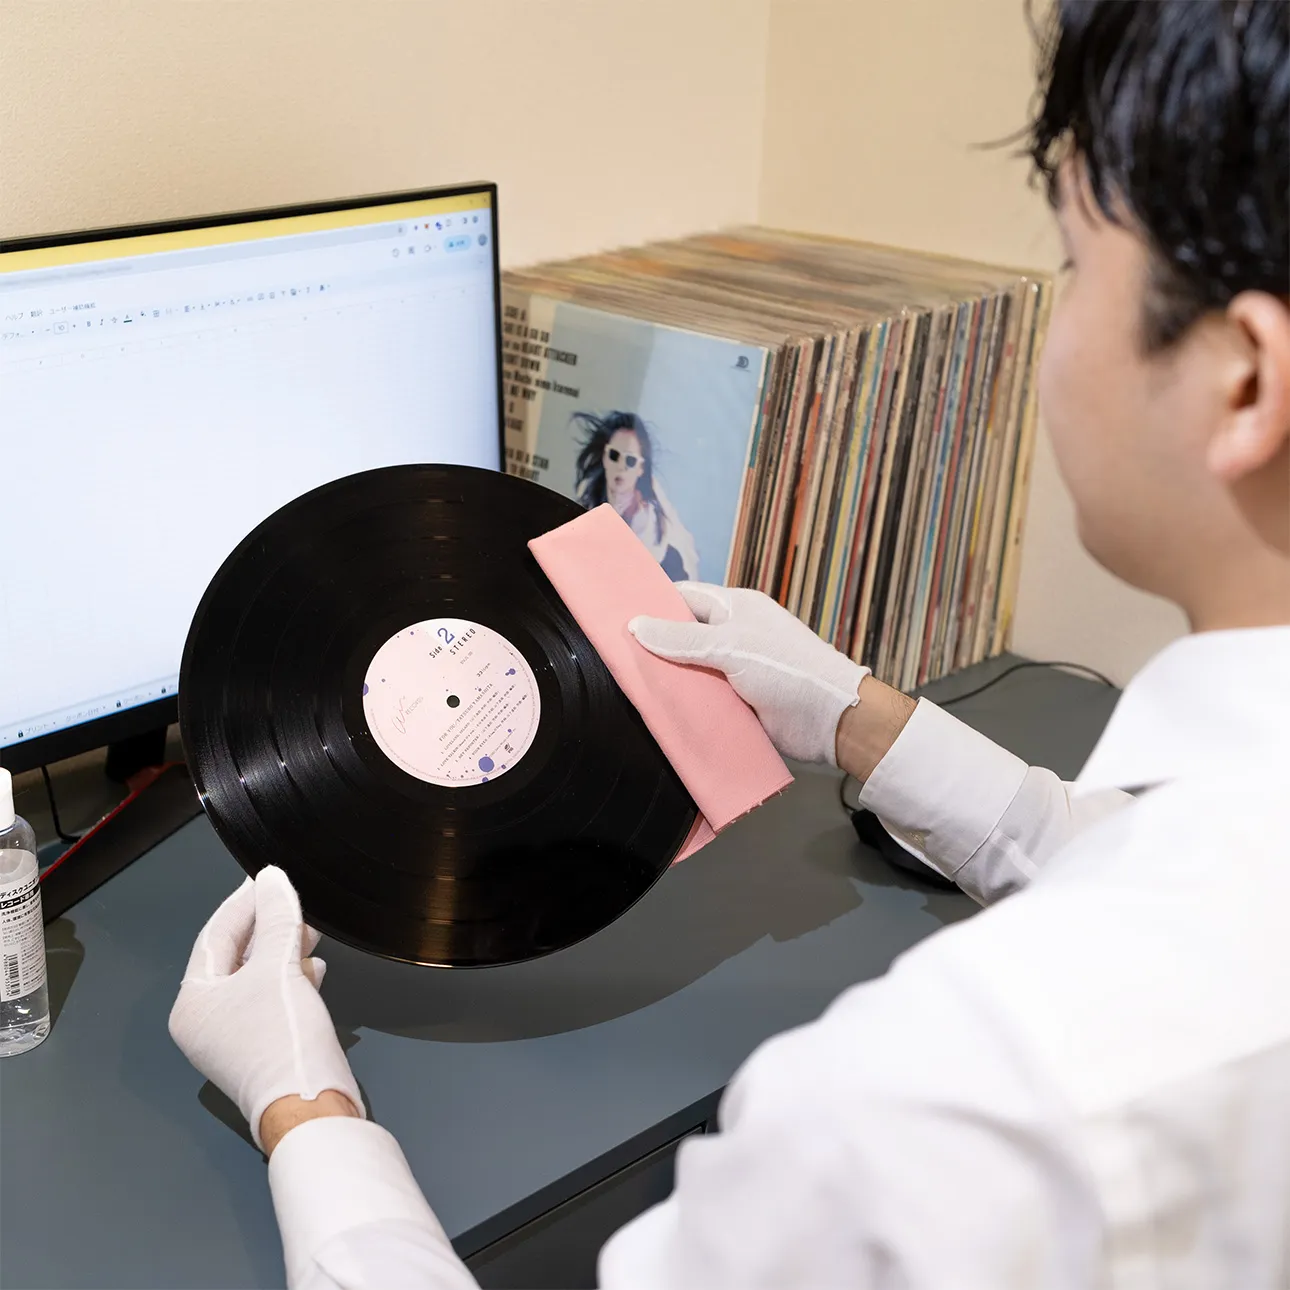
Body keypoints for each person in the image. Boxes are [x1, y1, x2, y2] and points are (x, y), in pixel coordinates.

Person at [168, 2, 1290, 1285]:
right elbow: (1145, 868)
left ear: (1245, 379)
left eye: (1079, 267)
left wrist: (304, 1111)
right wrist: (857, 711)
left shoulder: (943, 1105)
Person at [573, 409, 700, 581]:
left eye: (630, 460)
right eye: (614, 455)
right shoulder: (587, 510)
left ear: (641, 468)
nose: (621, 466)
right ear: (604, 457)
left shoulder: (654, 532)